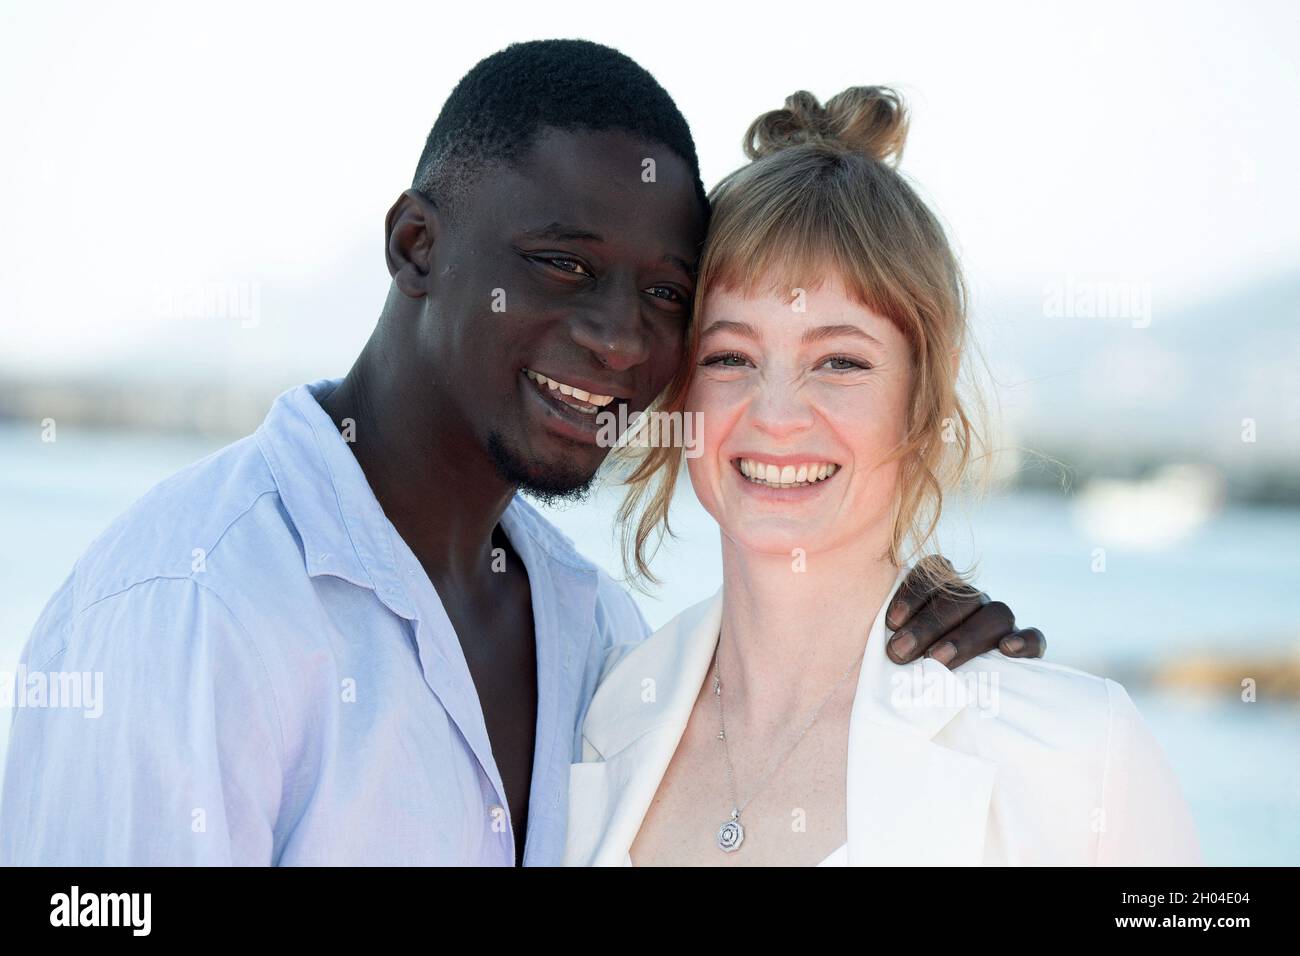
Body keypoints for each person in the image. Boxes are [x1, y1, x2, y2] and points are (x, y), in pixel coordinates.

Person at [0, 43, 1044, 867]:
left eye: (665, 296)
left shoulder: (596, 635)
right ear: (417, 246)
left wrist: (889, 637)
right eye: (560, 264)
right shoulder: (190, 606)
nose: (621, 338)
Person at [564, 87, 1199, 866]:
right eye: (731, 355)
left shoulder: (1075, 752)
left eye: (840, 361)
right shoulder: (600, 718)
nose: (779, 414)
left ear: (922, 399)